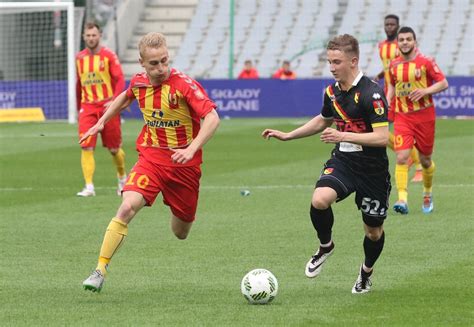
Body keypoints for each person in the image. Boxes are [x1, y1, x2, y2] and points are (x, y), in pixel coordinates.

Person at [80, 32, 220, 292]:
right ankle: (99, 270)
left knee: (181, 232)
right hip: (151, 159)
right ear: (142, 63)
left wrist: (192, 148)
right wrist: (101, 121)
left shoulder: (185, 85)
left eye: (164, 61)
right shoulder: (140, 82)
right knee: (126, 208)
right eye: (154, 63)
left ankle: (175, 205)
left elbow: (212, 118)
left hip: (184, 167)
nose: (160, 68)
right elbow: (125, 96)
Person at [262, 34, 391, 294]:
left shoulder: (372, 93)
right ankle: (325, 246)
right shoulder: (331, 92)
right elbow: (323, 120)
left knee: (373, 231)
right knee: (320, 200)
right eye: (329, 62)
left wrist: (342, 134)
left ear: (353, 61)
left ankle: (366, 273)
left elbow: (382, 137)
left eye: (337, 62)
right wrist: (288, 135)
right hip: (344, 160)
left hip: (372, 170)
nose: (331, 67)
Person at [387, 27, 448, 215]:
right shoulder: (393, 65)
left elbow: (443, 83)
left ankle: (427, 193)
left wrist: (425, 91)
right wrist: (387, 100)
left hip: (425, 117)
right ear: (398, 43)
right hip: (403, 117)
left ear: (415, 42)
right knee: (401, 156)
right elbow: (391, 86)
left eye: (408, 39)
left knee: (425, 160)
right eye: (402, 39)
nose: (405, 42)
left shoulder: (426, 62)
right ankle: (402, 199)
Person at [76, 22, 126, 197]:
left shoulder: (109, 56)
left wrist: (114, 101)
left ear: (100, 35)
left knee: (114, 149)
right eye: (88, 35)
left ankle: (122, 179)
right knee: (86, 146)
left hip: (107, 107)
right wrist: (78, 108)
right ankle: (89, 186)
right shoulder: (79, 58)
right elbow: (78, 85)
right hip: (88, 107)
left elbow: (119, 80)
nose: (91, 38)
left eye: (94, 35)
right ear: (84, 37)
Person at [375, 14, 423, 183]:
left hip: (401, 93)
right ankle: (408, 155)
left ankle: (419, 168)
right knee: (379, 129)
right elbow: (389, 67)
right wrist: (379, 76)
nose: (389, 27)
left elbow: (413, 63)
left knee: (383, 129)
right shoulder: (381, 46)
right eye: (386, 24)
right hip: (387, 91)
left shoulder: (403, 44)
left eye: (392, 24)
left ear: (397, 26)